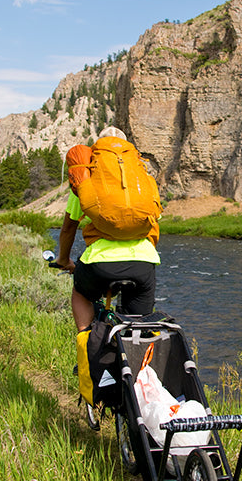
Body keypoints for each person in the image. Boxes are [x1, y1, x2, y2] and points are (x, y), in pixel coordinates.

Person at [55, 126, 161, 331]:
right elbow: (154, 222)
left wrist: (63, 260)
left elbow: (68, 229)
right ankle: (138, 358)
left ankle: (86, 343)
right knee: (139, 329)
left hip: (99, 265)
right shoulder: (139, 179)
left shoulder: (85, 180)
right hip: (143, 264)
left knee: (81, 293)